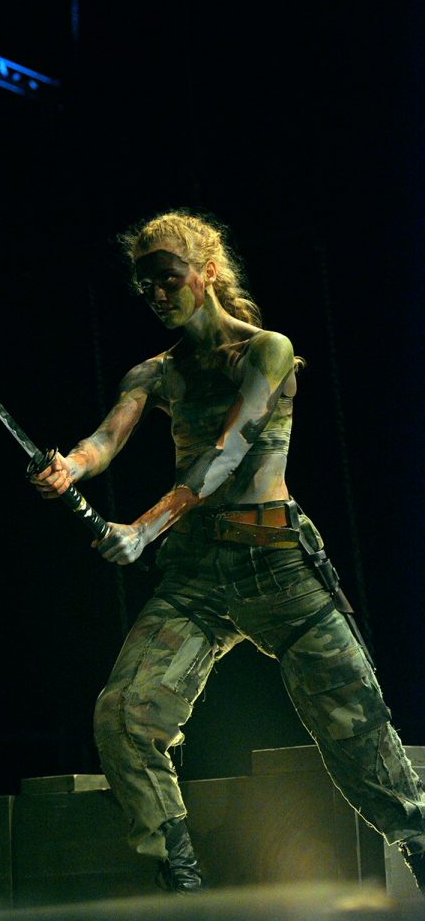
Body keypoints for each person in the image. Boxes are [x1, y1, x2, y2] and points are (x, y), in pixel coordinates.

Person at [30, 211, 425, 894]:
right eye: (145, 284)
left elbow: (228, 452)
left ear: (207, 271)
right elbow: (107, 438)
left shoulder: (267, 350)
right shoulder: (154, 373)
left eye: (167, 277)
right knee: (124, 715)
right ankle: (180, 879)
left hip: (278, 564)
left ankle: (419, 842)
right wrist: (71, 465)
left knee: (356, 726)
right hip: (197, 575)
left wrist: (143, 528)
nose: (156, 294)